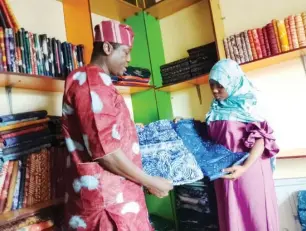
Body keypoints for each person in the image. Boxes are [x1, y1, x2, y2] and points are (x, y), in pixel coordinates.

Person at [62, 20, 173, 231]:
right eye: (125, 52)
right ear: (107, 47)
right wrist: (149, 181)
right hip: (108, 204)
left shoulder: (98, 82)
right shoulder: (91, 81)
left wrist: (141, 180)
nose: (129, 59)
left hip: (115, 195)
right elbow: (106, 152)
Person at [206, 59, 280, 231]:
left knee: (255, 217)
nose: (215, 90)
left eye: (220, 85)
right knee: (232, 217)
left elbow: (262, 138)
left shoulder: (248, 104)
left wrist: (244, 167)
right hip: (226, 172)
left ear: (232, 82)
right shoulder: (216, 108)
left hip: (250, 171)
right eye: (212, 85)